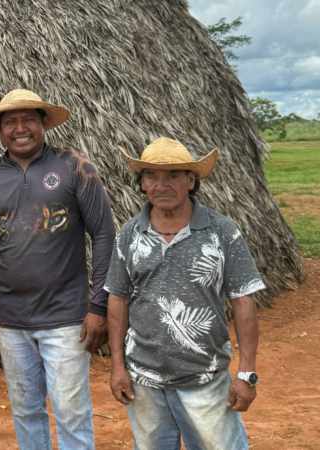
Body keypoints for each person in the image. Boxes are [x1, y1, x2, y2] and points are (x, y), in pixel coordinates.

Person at [0, 89, 116, 449]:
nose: (20, 129)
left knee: (71, 413)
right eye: (10, 122)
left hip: (66, 318)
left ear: (44, 123)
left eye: (28, 120)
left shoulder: (76, 168)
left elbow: (104, 234)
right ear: (0, 129)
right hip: (9, 320)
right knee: (26, 411)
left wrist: (99, 306)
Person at [105, 137, 263, 450]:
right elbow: (118, 299)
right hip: (142, 380)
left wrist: (246, 373)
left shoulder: (221, 232)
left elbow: (243, 300)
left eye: (173, 175)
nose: (161, 185)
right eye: (151, 176)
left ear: (191, 180)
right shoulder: (129, 234)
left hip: (205, 377)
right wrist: (118, 366)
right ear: (142, 184)